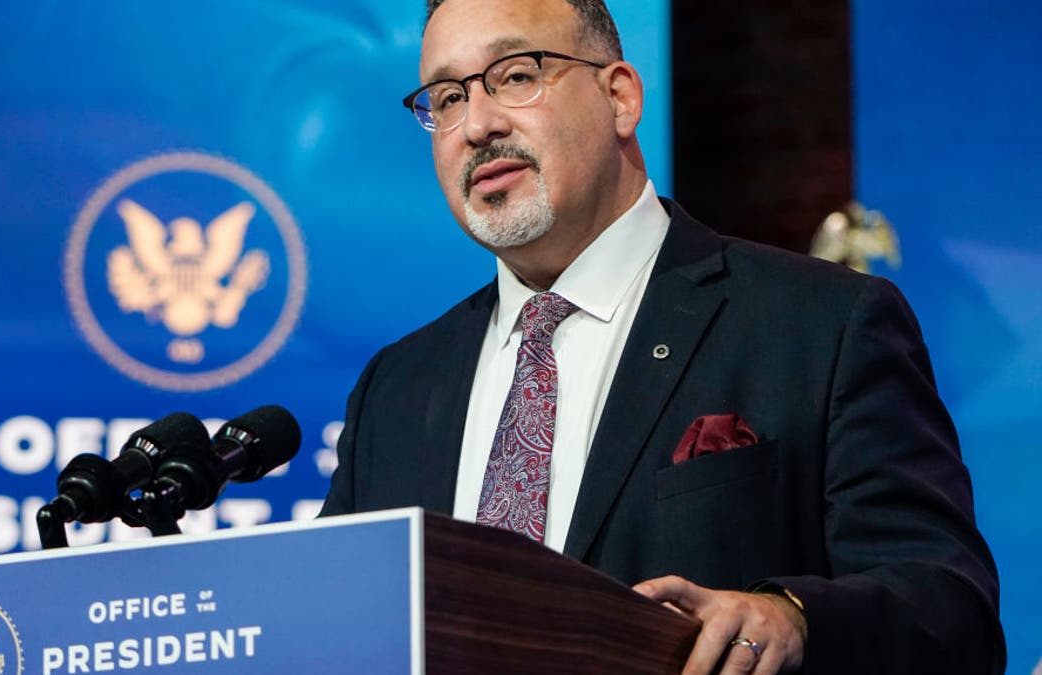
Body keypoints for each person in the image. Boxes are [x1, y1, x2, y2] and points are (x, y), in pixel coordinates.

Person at [320, 0, 1005, 672]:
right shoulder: (397, 388)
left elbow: (950, 609)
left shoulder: (821, 323)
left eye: (516, 74)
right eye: (446, 98)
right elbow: (327, 625)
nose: (477, 124)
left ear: (619, 96)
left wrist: (794, 617)